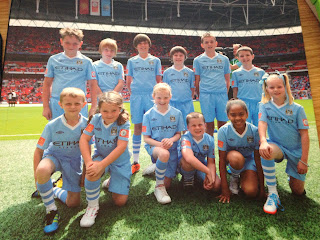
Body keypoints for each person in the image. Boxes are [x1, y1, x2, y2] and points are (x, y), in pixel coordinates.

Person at [33, 87, 88, 235]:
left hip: (74, 161)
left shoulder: (87, 125)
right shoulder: (52, 125)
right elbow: (39, 151)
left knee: (73, 203)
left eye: (77, 103)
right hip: (55, 156)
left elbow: (87, 152)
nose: (72, 107)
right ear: (60, 104)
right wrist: (36, 177)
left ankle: (53, 189)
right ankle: (51, 210)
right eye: (68, 103)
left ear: (84, 104)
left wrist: (84, 174)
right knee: (43, 169)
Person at [259, 73, 310, 214]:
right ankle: (273, 193)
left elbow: (305, 135)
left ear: (285, 86)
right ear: (267, 89)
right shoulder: (264, 106)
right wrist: (263, 141)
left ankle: (292, 175)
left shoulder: (297, 108)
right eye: (272, 87)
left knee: (298, 192)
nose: (276, 90)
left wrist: (303, 161)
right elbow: (262, 123)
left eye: (279, 86)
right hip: (277, 146)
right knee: (265, 150)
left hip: (295, 151)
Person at [79, 91, 131, 227]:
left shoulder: (124, 122)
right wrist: (89, 162)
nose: (109, 115)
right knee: (91, 171)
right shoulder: (95, 119)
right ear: (99, 109)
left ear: (120, 109)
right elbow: (84, 139)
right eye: (105, 111)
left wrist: (101, 165)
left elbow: (120, 148)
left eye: (114, 110)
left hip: (120, 162)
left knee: (120, 202)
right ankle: (92, 207)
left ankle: (111, 180)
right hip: (101, 157)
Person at [42, 27, 98, 121]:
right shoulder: (53, 60)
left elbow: (93, 85)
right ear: (61, 41)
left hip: (78, 103)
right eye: (67, 42)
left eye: (75, 43)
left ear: (80, 44)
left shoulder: (87, 62)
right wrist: (46, 107)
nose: (71, 46)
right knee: (57, 133)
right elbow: (47, 84)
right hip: (57, 103)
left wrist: (93, 107)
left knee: (80, 133)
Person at [142, 83, 184, 204]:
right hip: (154, 147)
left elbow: (178, 134)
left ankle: (156, 167)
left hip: (172, 149)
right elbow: (146, 139)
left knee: (169, 185)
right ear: (153, 97)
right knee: (164, 154)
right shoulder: (148, 115)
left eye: (165, 97)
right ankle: (158, 187)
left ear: (170, 96)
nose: (162, 100)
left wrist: (171, 140)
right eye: (159, 97)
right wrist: (160, 145)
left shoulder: (176, 113)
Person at [126, 33, 162, 174]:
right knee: (138, 127)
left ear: (149, 45)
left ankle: (155, 161)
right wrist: (135, 92)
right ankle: (135, 161)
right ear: (136, 46)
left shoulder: (156, 60)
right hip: (137, 96)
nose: (143, 45)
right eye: (140, 43)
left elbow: (158, 79)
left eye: (145, 43)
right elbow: (129, 80)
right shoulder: (132, 61)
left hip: (151, 96)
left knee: (153, 127)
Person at [217, 99, 265, 204]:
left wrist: (262, 188)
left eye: (241, 114)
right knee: (236, 158)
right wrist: (224, 188)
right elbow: (221, 160)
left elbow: (258, 159)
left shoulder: (254, 131)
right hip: (234, 160)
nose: (238, 118)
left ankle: (245, 176)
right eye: (233, 115)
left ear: (247, 114)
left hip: (249, 162)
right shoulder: (223, 131)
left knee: (251, 191)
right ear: (228, 116)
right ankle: (234, 177)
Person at [193, 32, 231, 136]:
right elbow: (197, 80)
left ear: (216, 43)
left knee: (223, 123)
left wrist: (224, 92)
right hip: (206, 94)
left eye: (211, 42)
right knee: (208, 124)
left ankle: (223, 148)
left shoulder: (224, 59)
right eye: (206, 42)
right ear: (202, 45)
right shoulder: (198, 60)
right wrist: (200, 95)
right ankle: (209, 149)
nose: (209, 44)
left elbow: (227, 79)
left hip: (221, 94)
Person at [179, 112, 221, 192]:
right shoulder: (185, 138)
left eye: (200, 125)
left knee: (216, 185)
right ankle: (188, 179)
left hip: (201, 164)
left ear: (205, 126)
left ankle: (196, 175)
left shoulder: (210, 140)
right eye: (193, 125)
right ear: (188, 127)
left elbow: (211, 162)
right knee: (188, 163)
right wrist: (207, 171)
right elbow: (189, 158)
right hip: (185, 165)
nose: (197, 128)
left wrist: (211, 176)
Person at [231, 46, 266, 126]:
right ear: (238, 58)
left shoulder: (261, 72)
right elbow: (235, 89)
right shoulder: (235, 73)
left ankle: (259, 139)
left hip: (259, 103)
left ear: (252, 56)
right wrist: (236, 103)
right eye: (242, 56)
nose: (245, 58)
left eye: (247, 55)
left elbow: (265, 89)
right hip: (243, 103)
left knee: (259, 126)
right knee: (245, 126)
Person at [163, 46, 195, 130]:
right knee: (173, 127)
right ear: (171, 57)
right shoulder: (167, 72)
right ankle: (174, 143)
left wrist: (188, 98)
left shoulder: (190, 72)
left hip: (187, 104)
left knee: (187, 127)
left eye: (181, 55)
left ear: (185, 57)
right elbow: (165, 90)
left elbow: (192, 88)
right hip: (172, 104)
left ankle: (186, 143)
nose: (178, 57)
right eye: (175, 55)